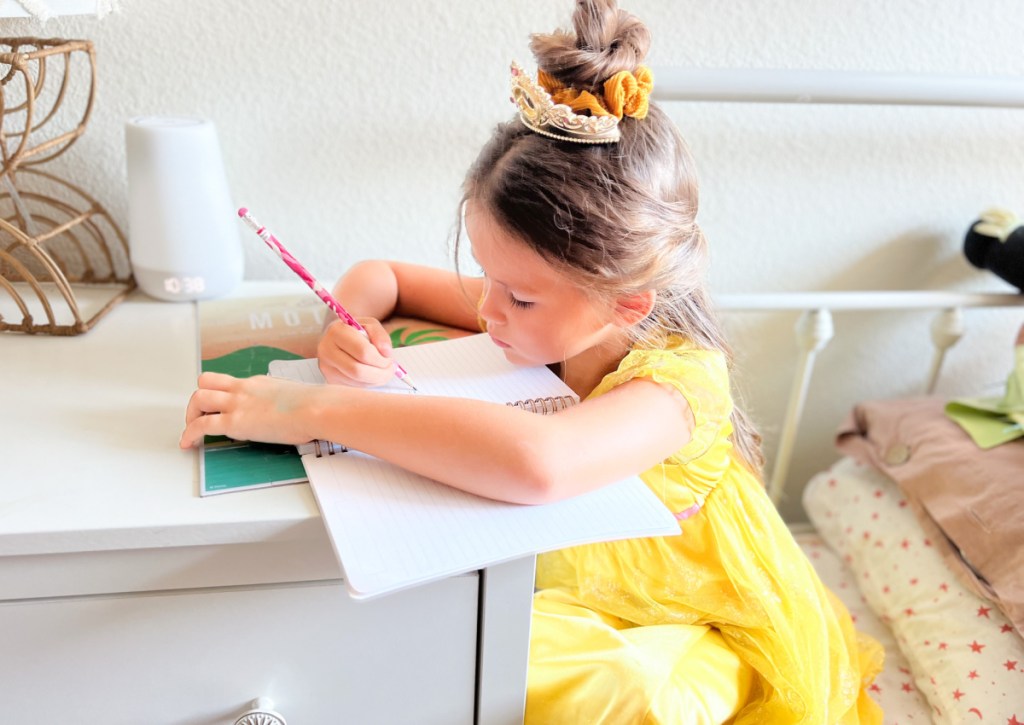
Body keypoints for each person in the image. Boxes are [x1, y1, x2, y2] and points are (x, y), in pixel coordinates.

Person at [181, 0, 883, 721]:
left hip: (681, 610)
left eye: (516, 296)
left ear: (625, 304)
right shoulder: (545, 311)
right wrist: (352, 321)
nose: (487, 310)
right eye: (488, 276)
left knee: (580, 681)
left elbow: (538, 463)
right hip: (564, 571)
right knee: (429, 630)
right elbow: (381, 274)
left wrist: (306, 408)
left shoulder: (679, 383)